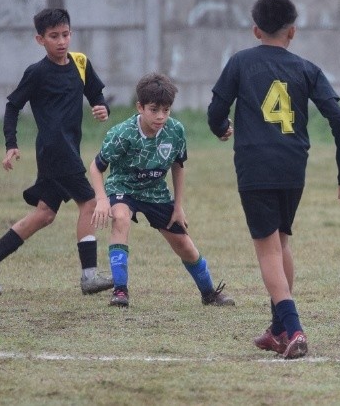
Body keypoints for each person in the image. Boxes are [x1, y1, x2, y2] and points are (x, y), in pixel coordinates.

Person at [207, 0, 340, 359]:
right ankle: (276, 330)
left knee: (268, 248)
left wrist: (222, 127)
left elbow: (215, 110)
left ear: (256, 29)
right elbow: (338, 120)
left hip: (255, 165)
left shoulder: (240, 62)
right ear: (293, 31)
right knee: (282, 241)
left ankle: (293, 329)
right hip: (293, 165)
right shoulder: (307, 68)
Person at [0, 8, 114, 296]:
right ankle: (89, 277)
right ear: (40, 39)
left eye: (65, 34)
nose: (61, 41)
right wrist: (11, 144)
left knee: (45, 214)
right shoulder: (36, 73)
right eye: (53, 36)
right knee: (89, 203)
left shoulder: (80, 62)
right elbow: (13, 106)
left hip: (66, 148)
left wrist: (102, 108)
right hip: (55, 150)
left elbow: (96, 94)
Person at [89, 72, 234, 309]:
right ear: (140, 107)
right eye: (154, 110)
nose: (160, 116)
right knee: (121, 218)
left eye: (166, 110)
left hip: (156, 192)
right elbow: (96, 167)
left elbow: (178, 166)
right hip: (123, 188)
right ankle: (120, 291)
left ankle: (209, 294)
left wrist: (178, 206)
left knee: (184, 245)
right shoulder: (122, 134)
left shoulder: (175, 131)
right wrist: (102, 199)